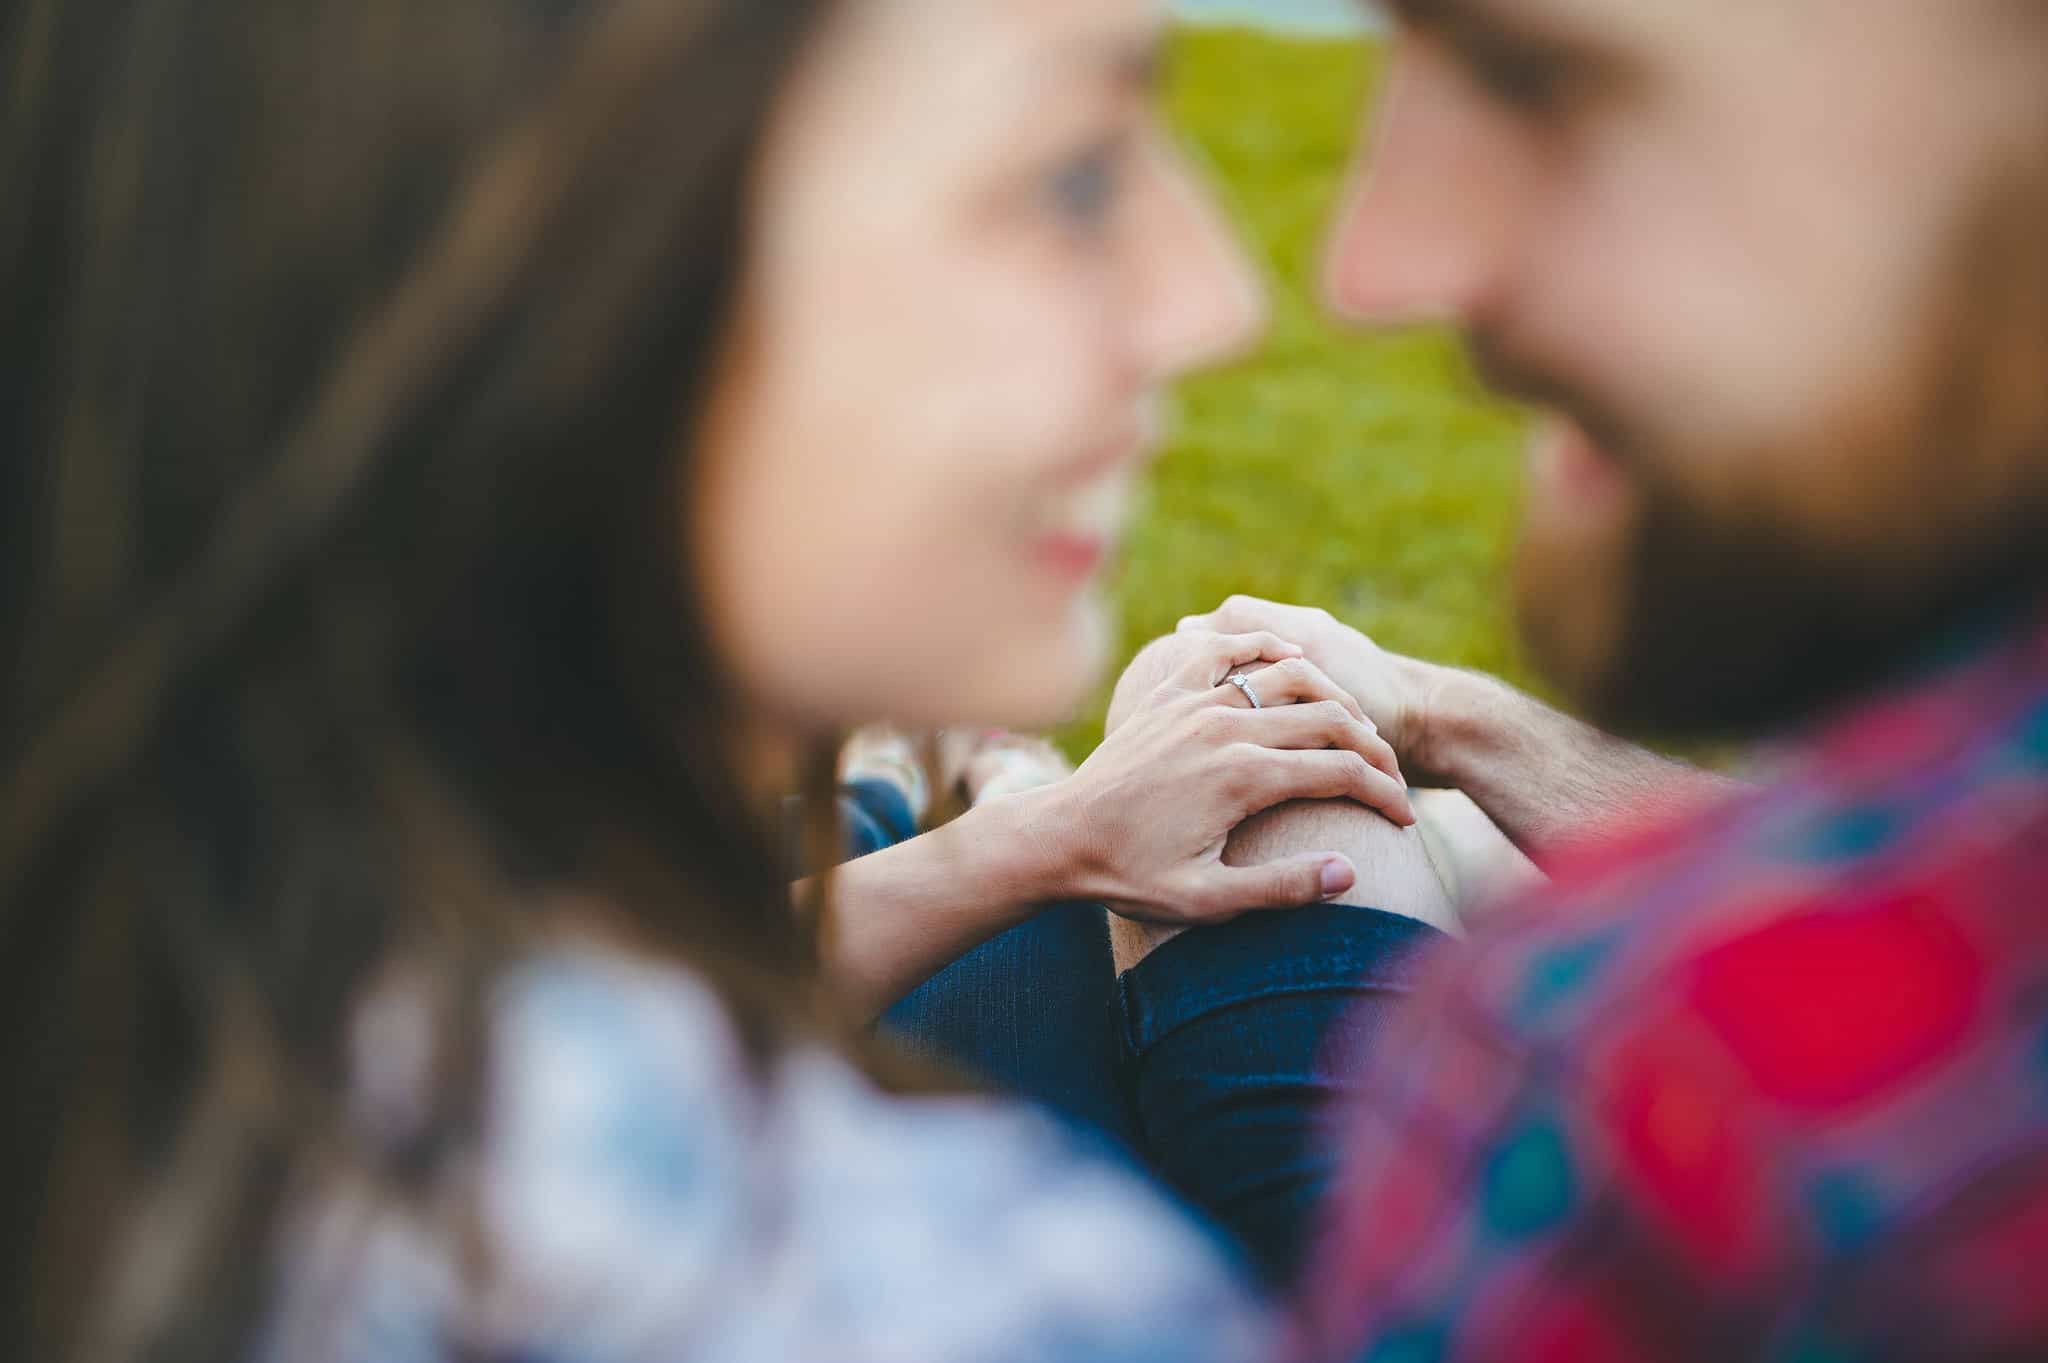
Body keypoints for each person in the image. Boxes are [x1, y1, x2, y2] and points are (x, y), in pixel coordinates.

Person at [0, 0, 1423, 1359]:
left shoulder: (169, 1007)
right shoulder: (1000, 1306)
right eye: (1072, 176)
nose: (1216, 302)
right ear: (587, 266)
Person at [1091, 0, 2048, 1357]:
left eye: (1534, 75)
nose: (1375, 268)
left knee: (1248, 727)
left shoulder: (1631, 1072)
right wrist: (1454, 715)